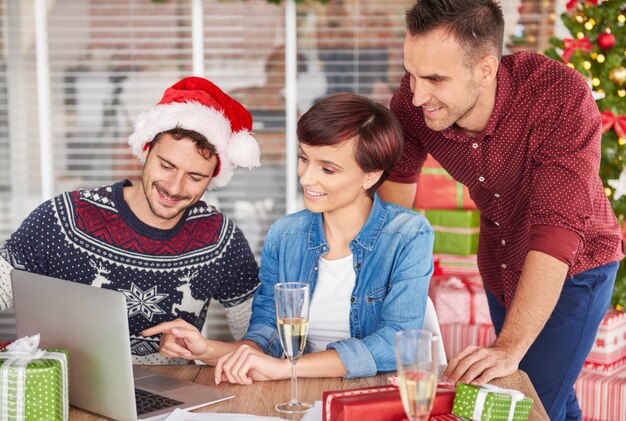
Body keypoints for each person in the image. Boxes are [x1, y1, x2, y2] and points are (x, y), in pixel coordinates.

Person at [377, 1, 624, 419]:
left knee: (525, 403)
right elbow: (395, 200)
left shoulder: (557, 95)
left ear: (486, 69)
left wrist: (509, 346)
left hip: (576, 267)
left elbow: (556, 229)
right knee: (553, 397)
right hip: (501, 262)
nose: (417, 95)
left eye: (435, 78)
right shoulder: (414, 102)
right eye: (411, 74)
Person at [142, 92, 434, 382]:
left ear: (370, 175)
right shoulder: (286, 234)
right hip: (295, 393)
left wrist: (288, 368)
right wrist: (207, 349)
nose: (306, 177)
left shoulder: (407, 235)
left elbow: (397, 343)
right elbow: (266, 333)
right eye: (304, 159)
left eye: (327, 169)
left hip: (372, 396)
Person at [0, 76, 262, 364]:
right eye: (167, 166)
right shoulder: (64, 217)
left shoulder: (220, 238)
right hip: (71, 395)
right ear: (146, 150)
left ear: (212, 178)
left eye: (195, 177)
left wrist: (207, 348)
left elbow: (260, 339)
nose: (174, 188)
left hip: (174, 397)